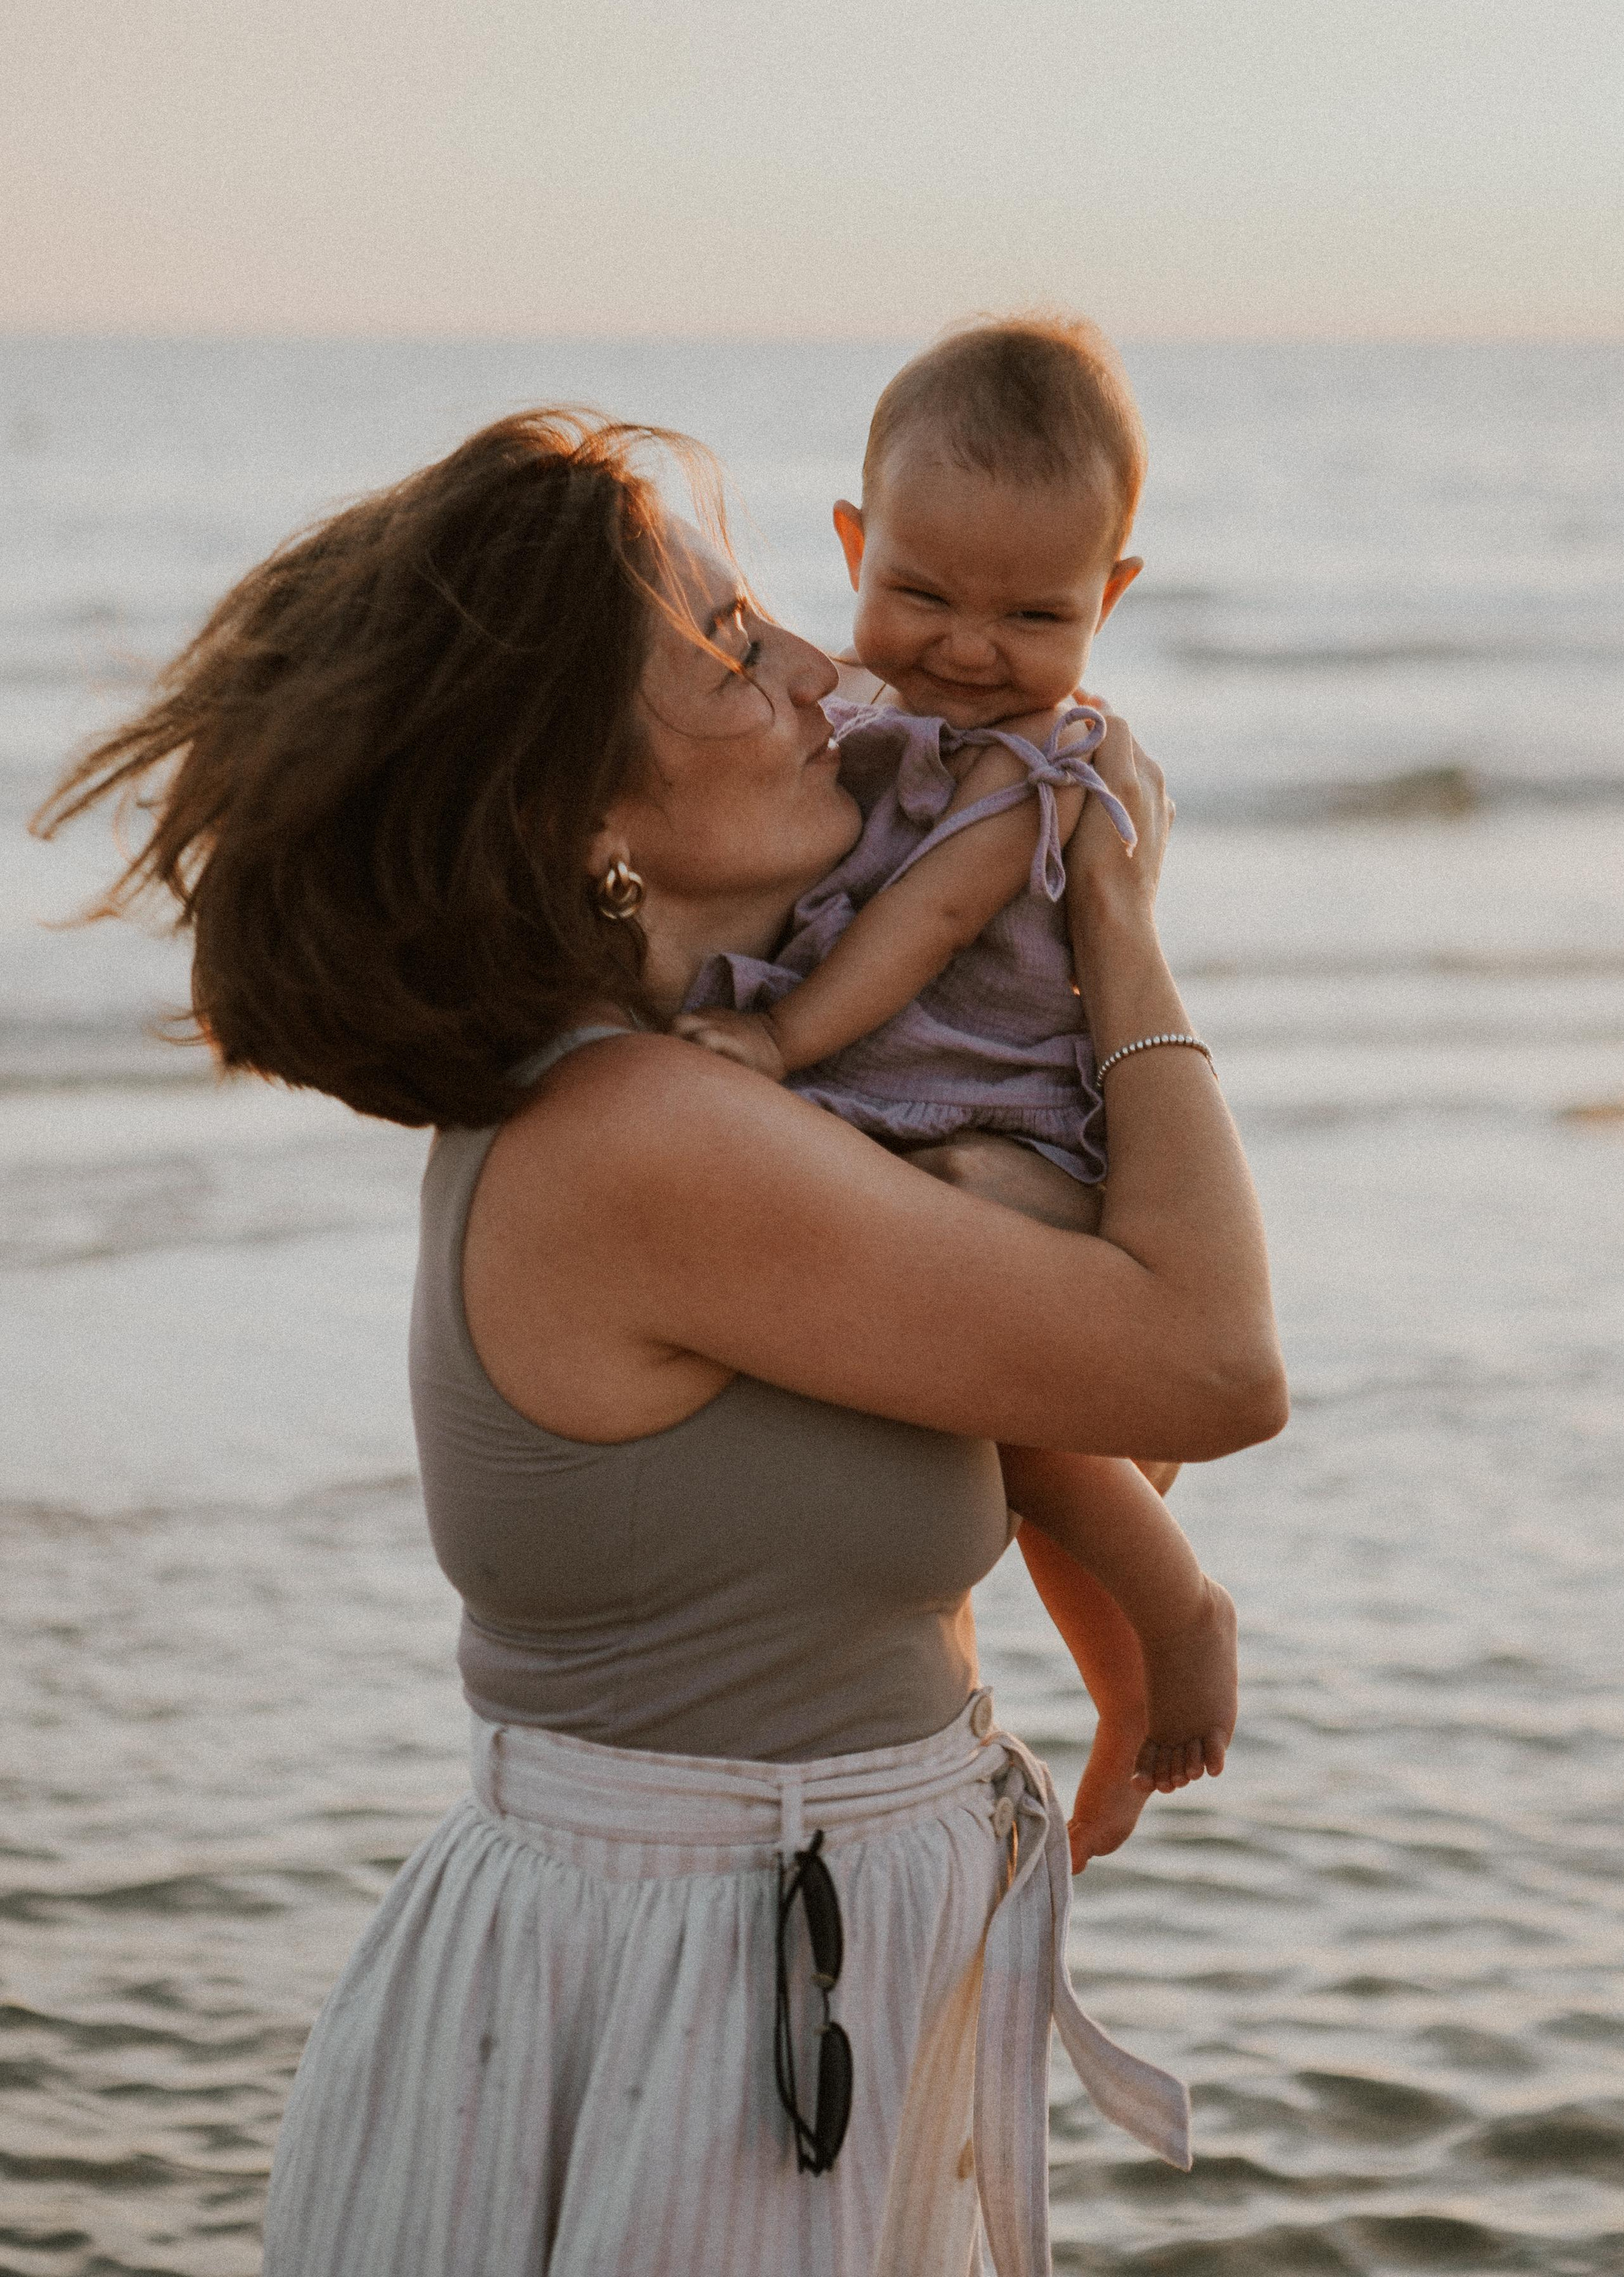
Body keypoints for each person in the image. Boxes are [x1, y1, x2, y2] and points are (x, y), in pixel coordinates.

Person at [34, 407, 1287, 2277]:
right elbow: (1208, 1369)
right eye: (724, 644)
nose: (813, 667)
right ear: (583, 813)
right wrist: (1111, 904)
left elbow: (1061, 1405)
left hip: (766, 1972)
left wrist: (1157, 1616)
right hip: (699, 2011)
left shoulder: (698, 1104)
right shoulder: (651, 1141)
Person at [677, 316, 1235, 1833]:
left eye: (1032, 615)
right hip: (887, 1110)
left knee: (1006, 1392)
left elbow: (918, 926)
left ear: (1107, 600)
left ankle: (1167, 1626)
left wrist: (781, 1042)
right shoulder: (849, 715)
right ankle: (1118, 1673)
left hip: (993, 1120)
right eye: (917, 593)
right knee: (998, 1424)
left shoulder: (1026, 764)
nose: (971, 649)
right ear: (852, 542)